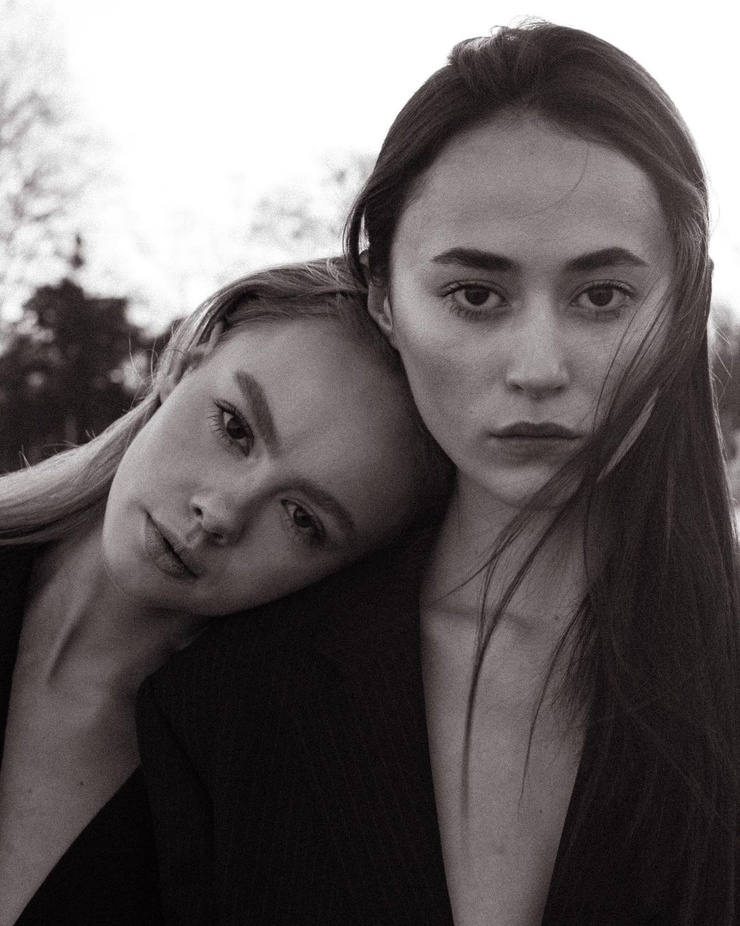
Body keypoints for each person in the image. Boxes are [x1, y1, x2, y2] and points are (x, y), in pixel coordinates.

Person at [138, 21, 740, 926]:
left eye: (602, 297)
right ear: (384, 297)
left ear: (684, 301)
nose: (537, 367)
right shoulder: (227, 700)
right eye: (475, 295)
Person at [0, 256, 450, 925]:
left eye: (302, 518)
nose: (221, 512)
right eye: (235, 427)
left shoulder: (270, 805)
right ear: (187, 360)